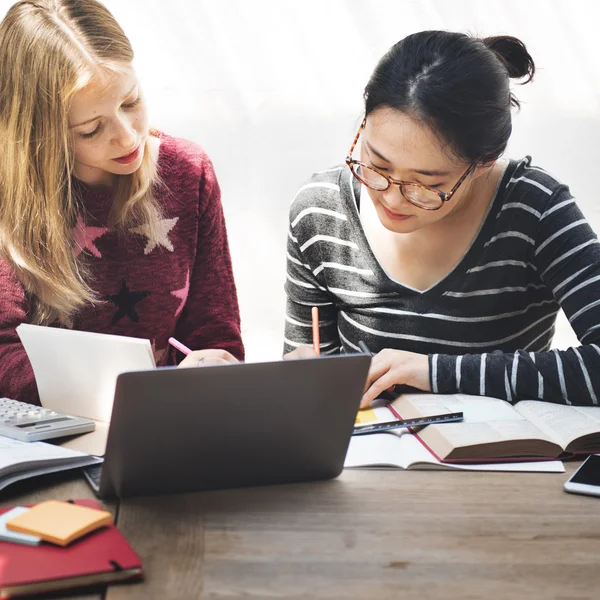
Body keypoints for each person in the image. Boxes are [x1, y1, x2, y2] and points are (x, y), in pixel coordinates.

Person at [284, 30, 600, 407]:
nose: (391, 196)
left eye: (425, 185)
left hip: (505, 460)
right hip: (367, 462)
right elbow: (311, 379)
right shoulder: (320, 213)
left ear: (483, 164)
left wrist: (436, 373)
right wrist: (299, 382)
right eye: (376, 164)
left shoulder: (534, 210)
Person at [0, 0, 243, 404]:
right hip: (52, 437)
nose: (128, 136)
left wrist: (213, 367)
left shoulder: (188, 172)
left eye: (131, 102)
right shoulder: (11, 200)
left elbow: (215, 336)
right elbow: (3, 354)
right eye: (92, 130)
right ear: (40, 135)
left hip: (166, 425)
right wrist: (121, 390)